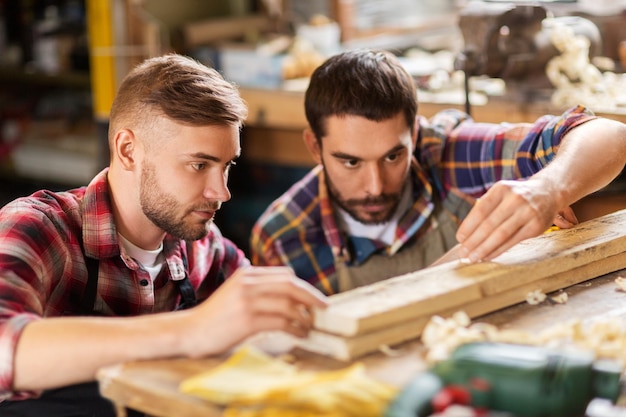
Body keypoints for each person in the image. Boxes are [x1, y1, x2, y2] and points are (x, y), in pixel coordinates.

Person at [0, 53, 327, 416]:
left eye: (226, 166)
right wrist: (191, 329)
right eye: (199, 165)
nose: (221, 192)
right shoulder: (37, 227)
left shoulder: (202, 247)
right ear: (128, 151)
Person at [250, 48, 626, 295]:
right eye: (350, 162)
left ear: (415, 135)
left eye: (393, 156)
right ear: (315, 147)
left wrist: (548, 188)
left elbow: (611, 135)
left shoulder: (449, 154)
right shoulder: (283, 238)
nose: (374, 185)